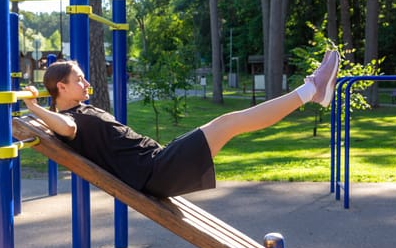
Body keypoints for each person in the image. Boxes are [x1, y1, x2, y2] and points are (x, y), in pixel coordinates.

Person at [22, 50, 340, 198]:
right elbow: (64, 128)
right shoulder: (71, 118)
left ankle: (313, 90)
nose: (87, 83)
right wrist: (34, 106)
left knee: (228, 123)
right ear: (60, 87)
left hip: (158, 164)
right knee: (229, 123)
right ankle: (312, 90)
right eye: (79, 80)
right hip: (156, 171)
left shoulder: (79, 110)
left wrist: (39, 109)